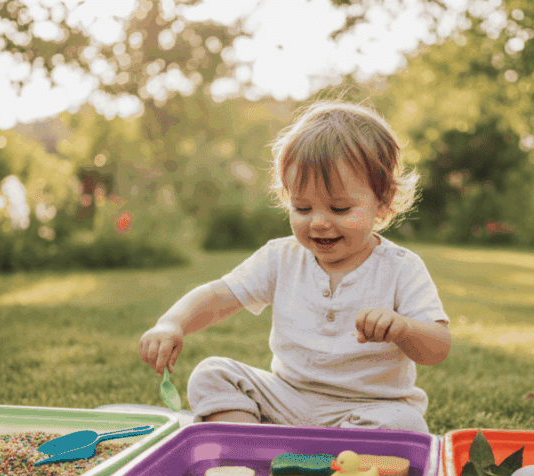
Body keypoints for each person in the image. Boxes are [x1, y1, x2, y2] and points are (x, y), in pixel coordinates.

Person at [138, 100, 451, 433]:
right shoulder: (281, 257)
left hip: (368, 410)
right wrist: (172, 323)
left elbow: (438, 347)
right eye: (302, 207)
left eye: (340, 208)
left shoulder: (401, 268)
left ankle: (330, 452)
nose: (318, 223)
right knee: (212, 375)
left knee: (406, 424)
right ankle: (252, 446)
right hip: (286, 399)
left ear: (383, 201)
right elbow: (219, 296)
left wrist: (403, 328)